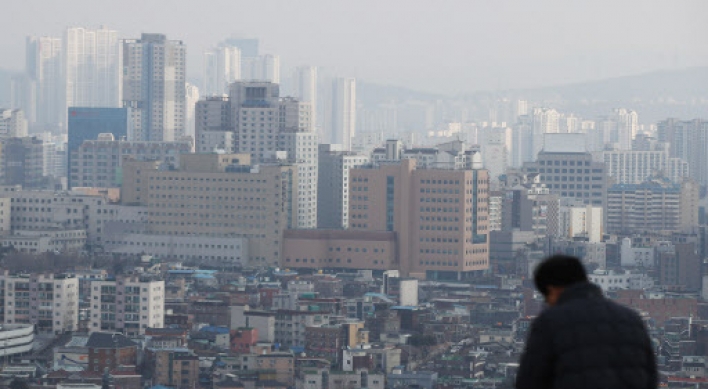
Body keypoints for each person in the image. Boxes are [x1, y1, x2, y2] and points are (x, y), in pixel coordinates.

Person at [516, 255, 658, 389]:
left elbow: (530, 380)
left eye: (546, 296)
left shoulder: (550, 323)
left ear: (552, 289)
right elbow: (651, 378)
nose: (548, 302)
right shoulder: (632, 320)